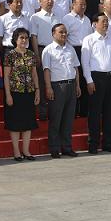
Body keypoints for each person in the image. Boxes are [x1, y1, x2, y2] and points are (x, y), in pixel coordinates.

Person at [82, 13, 111, 154]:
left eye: (107, 21)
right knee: (95, 112)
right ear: (95, 24)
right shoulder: (89, 39)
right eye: (103, 21)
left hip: (110, 77)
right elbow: (85, 62)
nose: (106, 24)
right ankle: (93, 143)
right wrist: (89, 80)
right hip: (96, 78)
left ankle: (108, 143)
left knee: (108, 112)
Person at [42, 23, 81, 158]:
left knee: (68, 119)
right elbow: (46, 70)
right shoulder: (48, 50)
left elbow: (76, 68)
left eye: (65, 32)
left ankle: (67, 147)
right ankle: (54, 148)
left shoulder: (70, 48)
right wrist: (48, 87)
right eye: (61, 32)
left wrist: (77, 85)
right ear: (53, 34)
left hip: (71, 85)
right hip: (57, 86)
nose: (64, 34)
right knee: (56, 118)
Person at [3, 27, 39, 161]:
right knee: (15, 124)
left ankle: (26, 151)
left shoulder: (31, 54)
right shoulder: (10, 55)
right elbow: (6, 76)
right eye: (21, 38)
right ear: (15, 39)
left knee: (28, 123)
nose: (24, 40)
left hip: (29, 92)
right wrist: (8, 95)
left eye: (26, 38)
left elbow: (34, 74)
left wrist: (37, 90)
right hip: (15, 92)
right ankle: (16, 152)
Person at [30, 0, 60, 121]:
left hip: (56, 51)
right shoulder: (35, 17)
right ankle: (42, 111)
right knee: (42, 81)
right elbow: (34, 36)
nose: (50, 1)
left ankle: (55, 110)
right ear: (40, 1)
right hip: (41, 50)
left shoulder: (58, 17)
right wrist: (37, 55)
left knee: (55, 80)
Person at [62, 0, 92, 117]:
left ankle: (84, 109)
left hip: (86, 51)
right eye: (81, 4)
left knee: (85, 79)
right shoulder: (67, 18)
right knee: (74, 79)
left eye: (85, 4)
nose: (83, 7)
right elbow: (64, 37)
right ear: (73, 5)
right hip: (73, 49)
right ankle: (73, 111)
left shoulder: (87, 19)